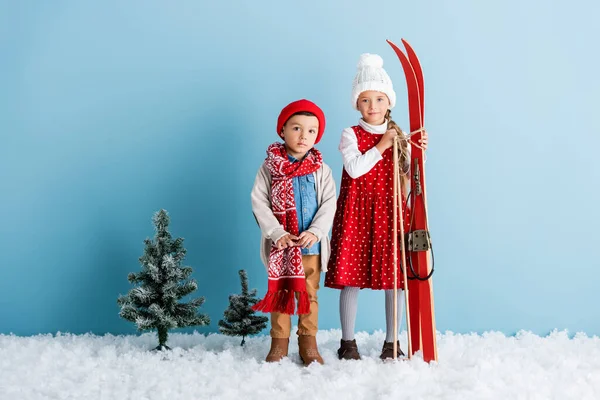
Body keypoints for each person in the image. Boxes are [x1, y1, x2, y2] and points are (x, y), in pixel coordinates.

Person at [325, 54, 428, 360]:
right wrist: (382, 144)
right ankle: (348, 342)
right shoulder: (350, 134)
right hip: (356, 212)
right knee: (350, 278)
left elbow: (410, 176)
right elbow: (355, 169)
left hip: (390, 211)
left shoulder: (400, 137)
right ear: (357, 104)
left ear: (389, 102)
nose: (373, 106)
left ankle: (392, 342)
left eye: (379, 99)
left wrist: (418, 151)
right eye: (366, 100)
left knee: (393, 278)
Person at [251, 99, 337, 365]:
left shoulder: (322, 169)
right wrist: (277, 233)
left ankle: (308, 342)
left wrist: (317, 231)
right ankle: (279, 342)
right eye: (297, 128)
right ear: (283, 130)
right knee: (282, 293)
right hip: (282, 247)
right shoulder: (269, 168)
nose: (304, 136)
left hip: (310, 246)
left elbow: (329, 203)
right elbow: (259, 201)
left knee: (309, 294)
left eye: (312, 131)